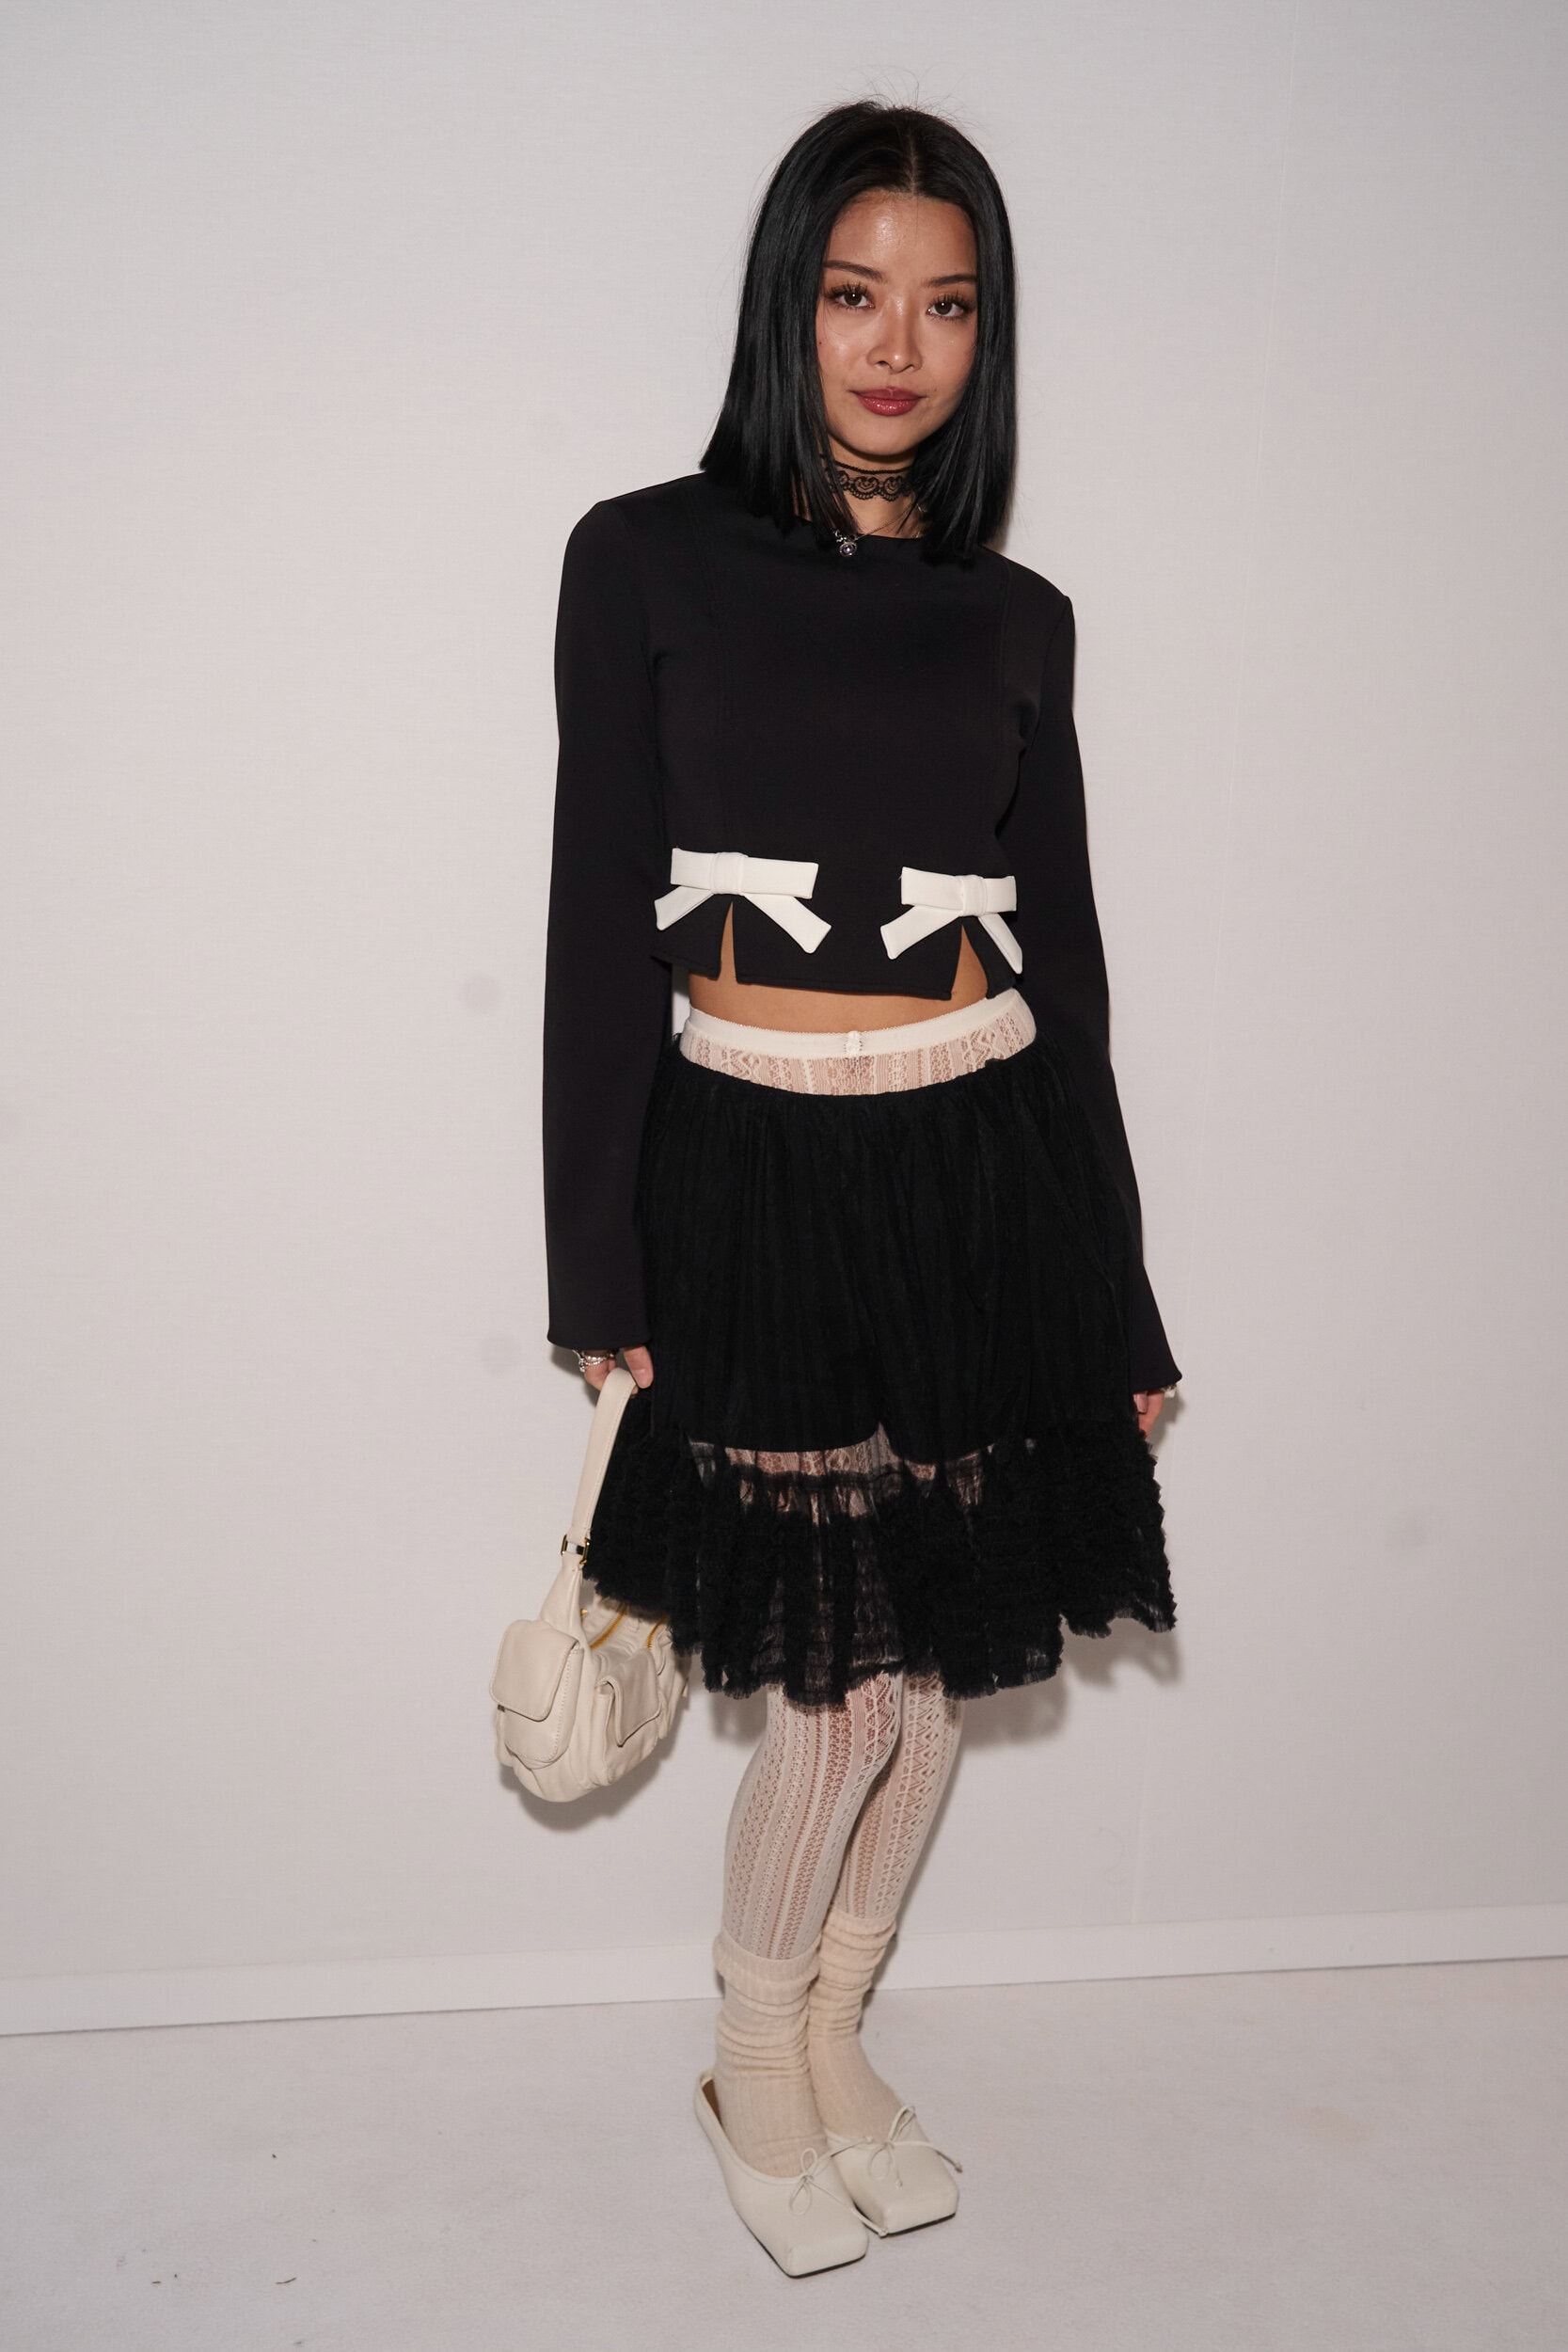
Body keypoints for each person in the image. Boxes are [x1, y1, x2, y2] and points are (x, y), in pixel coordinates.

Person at [540, 99, 1180, 2276]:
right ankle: (751, 2056)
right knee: (835, 1684)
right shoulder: (641, 559)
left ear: (988, 334)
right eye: (853, 293)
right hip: (755, 1170)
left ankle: (834, 2028)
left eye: (949, 303)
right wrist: (600, 1266)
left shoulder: (1019, 615)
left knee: (936, 1682)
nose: (899, 345)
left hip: (982, 1166)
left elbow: (1068, 969)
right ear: (786, 305)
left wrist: (1122, 1305)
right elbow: (594, 926)